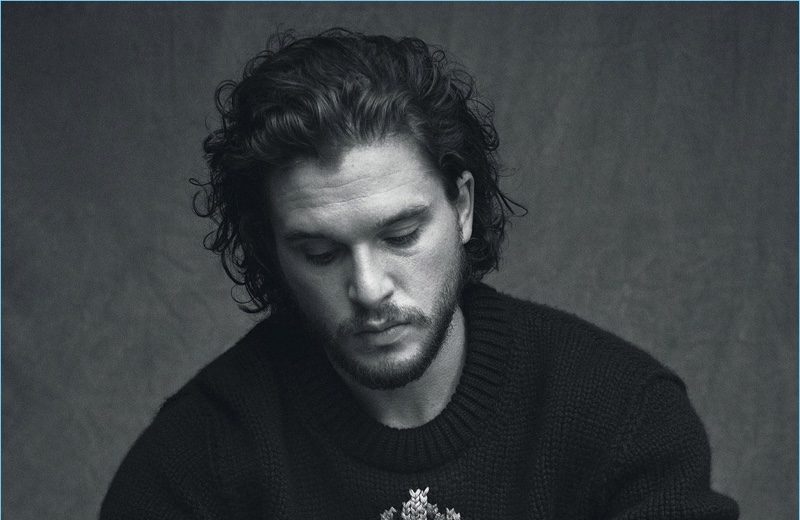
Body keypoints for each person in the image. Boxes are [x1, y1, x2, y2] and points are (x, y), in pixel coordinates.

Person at [101, 29, 738, 519]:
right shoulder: (200, 456)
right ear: (271, 250)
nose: (369, 288)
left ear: (462, 207)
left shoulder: (623, 414)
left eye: (401, 235)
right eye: (320, 253)